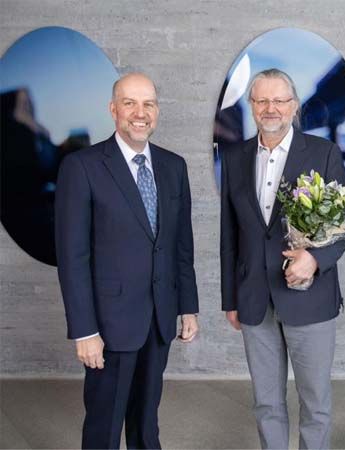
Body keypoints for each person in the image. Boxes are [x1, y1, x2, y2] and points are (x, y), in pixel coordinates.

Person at [55, 72, 199, 449]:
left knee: (146, 425)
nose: (140, 113)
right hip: (108, 324)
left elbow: (181, 245)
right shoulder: (83, 167)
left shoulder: (173, 166)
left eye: (148, 104)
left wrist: (188, 308)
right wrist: (84, 331)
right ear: (113, 109)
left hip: (159, 320)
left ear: (157, 111)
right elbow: (72, 257)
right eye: (130, 103)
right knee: (104, 427)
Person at [220, 68, 345, 449]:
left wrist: (315, 259)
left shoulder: (323, 152)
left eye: (280, 100)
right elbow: (229, 234)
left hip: (309, 295)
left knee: (315, 403)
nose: (271, 108)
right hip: (253, 298)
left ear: (294, 106)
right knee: (266, 402)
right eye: (262, 100)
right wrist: (230, 299)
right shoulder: (234, 157)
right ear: (251, 105)